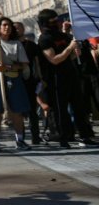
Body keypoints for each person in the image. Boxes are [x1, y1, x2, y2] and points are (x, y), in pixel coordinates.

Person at [37, 9, 96, 148]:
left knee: (79, 107)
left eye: (57, 20)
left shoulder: (63, 36)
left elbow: (70, 57)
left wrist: (76, 51)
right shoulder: (44, 39)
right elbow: (54, 59)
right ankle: (63, 137)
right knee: (60, 109)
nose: (56, 23)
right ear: (46, 23)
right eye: (53, 21)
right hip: (55, 79)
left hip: (71, 74)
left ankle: (84, 135)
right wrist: (70, 48)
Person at [0, 17, 31, 152]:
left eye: (9, 25)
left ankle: (20, 139)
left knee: (17, 111)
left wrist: (8, 67)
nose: (7, 28)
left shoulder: (17, 44)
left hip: (14, 77)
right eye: (4, 25)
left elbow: (23, 64)